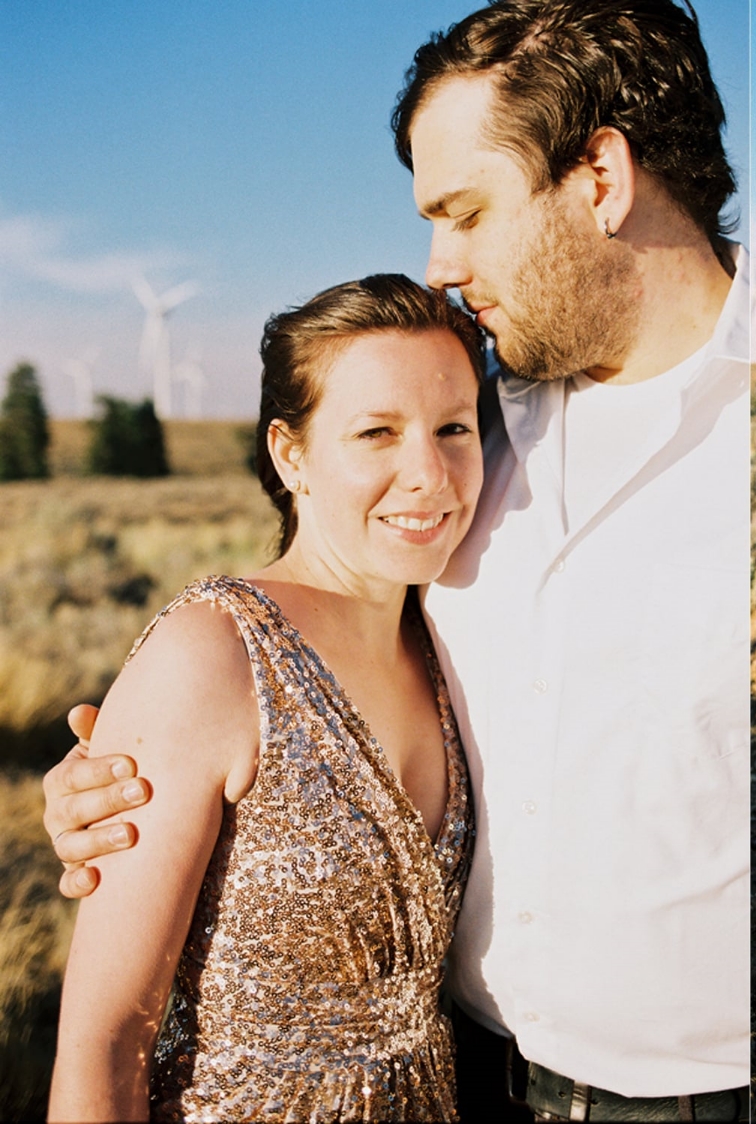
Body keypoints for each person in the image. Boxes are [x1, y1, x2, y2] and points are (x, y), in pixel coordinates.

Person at [43, 2, 750, 1119]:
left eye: (465, 211)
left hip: (690, 1091)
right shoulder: (478, 392)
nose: (440, 259)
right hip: (474, 1071)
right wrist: (125, 785)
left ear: (600, 177)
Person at [48, 274, 486, 1120]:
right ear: (292, 455)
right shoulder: (212, 653)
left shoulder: (447, 642)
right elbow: (102, 1046)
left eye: (453, 428)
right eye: (376, 433)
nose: (428, 473)